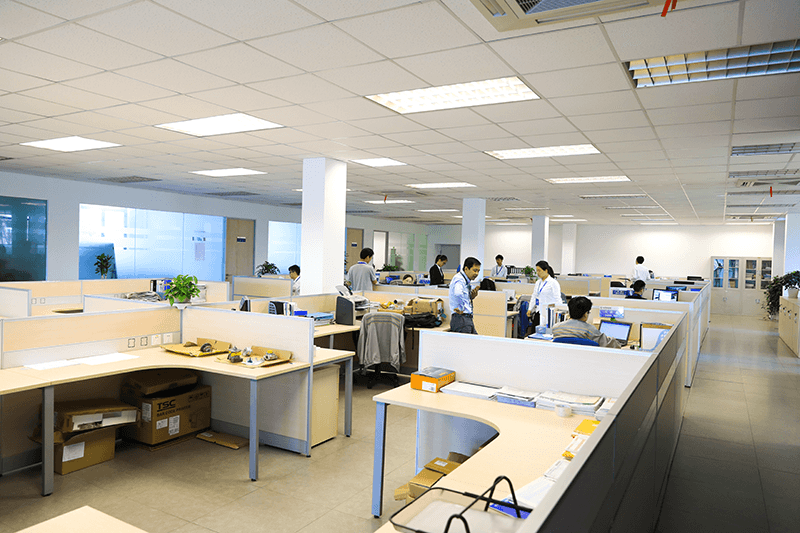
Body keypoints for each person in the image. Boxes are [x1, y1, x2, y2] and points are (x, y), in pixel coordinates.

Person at [552, 296, 621, 348]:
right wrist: (615, 341)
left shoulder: (556, 328)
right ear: (585, 314)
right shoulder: (590, 330)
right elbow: (612, 345)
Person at [449, 257, 481, 334]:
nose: (476, 274)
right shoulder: (459, 279)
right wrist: (461, 308)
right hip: (462, 319)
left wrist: (471, 296)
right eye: (475, 270)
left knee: (476, 340)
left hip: (466, 319)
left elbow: (461, 295)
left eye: (478, 271)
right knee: (470, 341)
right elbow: (458, 293)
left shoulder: (465, 280)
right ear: (466, 269)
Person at [526, 260, 562, 329]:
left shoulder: (553, 283)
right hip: (539, 311)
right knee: (534, 331)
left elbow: (558, 298)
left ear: (546, 270)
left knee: (546, 332)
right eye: (537, 271)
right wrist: (530, 308)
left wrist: (559, 313)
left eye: (539, 270)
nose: (537, 273)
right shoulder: (538, 282)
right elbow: (534, 296)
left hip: (549, 313)